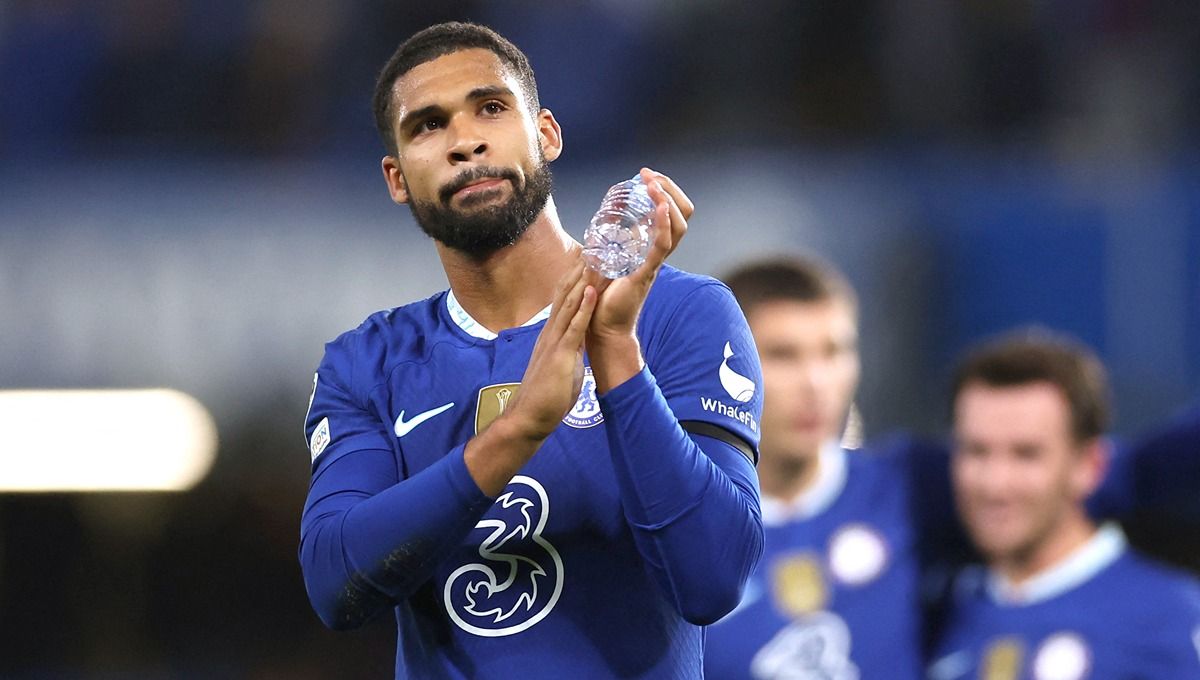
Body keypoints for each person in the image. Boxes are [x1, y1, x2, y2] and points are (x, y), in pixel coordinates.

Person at [297, 22, 764, 679]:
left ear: (546, 133)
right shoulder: (367, 362)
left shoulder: (680, 314)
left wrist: (614, 354)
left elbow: (712, 580)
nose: (466, 141)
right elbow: (335, 583)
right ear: (397, 178)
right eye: (428, 125)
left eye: (491, 108)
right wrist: (519, 432)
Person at [703, 255, 946, 679]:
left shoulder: (912, 485)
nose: (815, 383)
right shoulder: (676, 521)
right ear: (717, 366)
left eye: (834, 351)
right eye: (782, 355)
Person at [929, 331, 1200, 680]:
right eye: (976, 451)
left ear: (1090, 466)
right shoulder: (936, 608)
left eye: (1026, 455)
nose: (995, 484)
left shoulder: (1168, 622)